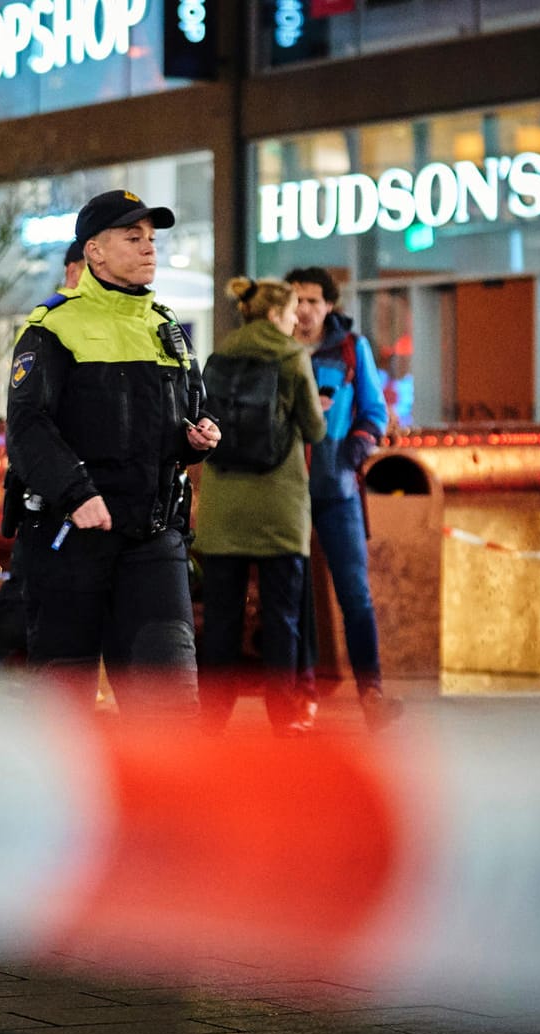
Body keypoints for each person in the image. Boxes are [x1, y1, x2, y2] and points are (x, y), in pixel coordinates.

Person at [5, 191, 220, 718]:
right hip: (71, 539)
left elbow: (191, 413)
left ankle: (164, 803)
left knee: (169, 704)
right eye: (133, 238)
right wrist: (77, 494)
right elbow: (27, 428)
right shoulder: (52, 327)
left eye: (151, 238)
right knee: (65, 707)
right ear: (95, 252)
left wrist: (202, 436)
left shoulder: (166, 328)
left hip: (153, 539)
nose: (149, 248)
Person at [193, 277, 325, 735]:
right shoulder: (292, 357)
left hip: (223, 506)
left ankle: (212, 718)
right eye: (290, 313)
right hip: (278, 506)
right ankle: (284, 717)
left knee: (222, 619)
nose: (295, 320)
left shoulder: (217, 356)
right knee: (282, 616)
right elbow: (315, 429)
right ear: (273, 315)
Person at [0, 240, 83, 664]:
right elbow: (30, 424)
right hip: (52, 503)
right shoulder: (51, 324)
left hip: (81, 498)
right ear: (77, 269)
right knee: (20, 608)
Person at [284, 266, 394, 727]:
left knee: (354, 592)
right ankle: (303, 694)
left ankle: (372, 690)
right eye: (297, 300)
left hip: (338, 490)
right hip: (285, 491)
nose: (305, 309)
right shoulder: (276, 348)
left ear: (330, 304)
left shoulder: (351, 348)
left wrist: (353, 451)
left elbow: (374, 412)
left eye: (313, 300)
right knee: (295, 596)